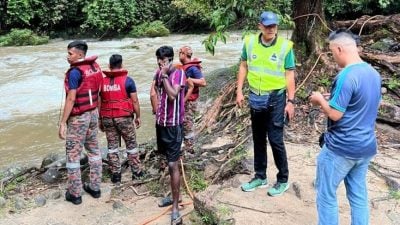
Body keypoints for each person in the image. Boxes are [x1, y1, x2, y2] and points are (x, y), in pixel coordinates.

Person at [309, 29, 381, 225]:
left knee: (326, 195)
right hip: (365, 147)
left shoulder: (345, 76)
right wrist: (329, 100)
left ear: (339, 48)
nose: (333, 57)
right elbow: (359, 104)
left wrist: (318, 100)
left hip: (341, 148)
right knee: (358, 196)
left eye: (332, 52)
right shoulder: (373, 73)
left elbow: (335, 114)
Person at [236, 11, 296, 196]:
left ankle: (283, 179)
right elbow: (244, 65)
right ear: (260, 26)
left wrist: (291, 100)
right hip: (255, 96)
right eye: (268, 25)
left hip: (276, 98)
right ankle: (260, 176)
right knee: (258, 138)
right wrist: (239, 91)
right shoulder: (250, 42)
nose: (271, 29)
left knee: (276, 139)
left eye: (274, 26)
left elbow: (289, 73)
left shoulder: (285, 47)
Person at [58, 40, 103, 205]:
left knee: (73, 155)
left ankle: (75, 194)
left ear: (80, 55)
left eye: (70, 53)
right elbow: (99, 93)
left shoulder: (75, 72)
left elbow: (71, 98)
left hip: (79, 117)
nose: (67, 56)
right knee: (94, 151)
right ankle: (95, 187)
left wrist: (63, 122)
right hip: (93, 113)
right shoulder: (94, 67)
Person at [150, 46, 186, 225]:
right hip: (161, 123)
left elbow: (172, 95)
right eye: (158, 60)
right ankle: (173, 197)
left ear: (170, 60)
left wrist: (164, 75)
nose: (159, 63)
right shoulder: (158, 74)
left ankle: (175, 208)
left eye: (163, 61)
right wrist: (156, 109)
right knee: (166, 160)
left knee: (173, 164)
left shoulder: (179, 74)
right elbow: (156, 91)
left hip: (173, 125)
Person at [99, 54, 143, 184]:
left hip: (107, 118)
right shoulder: (128, 81)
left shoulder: (102, 82)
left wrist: (100, 120)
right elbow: (134, 101)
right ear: (122, 65)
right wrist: (138, 116)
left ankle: (116, 175)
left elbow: (99, 103)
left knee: (112, 147)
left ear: (109, 66)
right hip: (124, 117)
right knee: (131, 145)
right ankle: (137, 172)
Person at [178, 46, 206, 154]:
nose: (179, 55)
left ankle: (190, 150)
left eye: (180, 53)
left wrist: (187, 80)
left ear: (184, 54)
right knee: (184, 124)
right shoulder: (184, 67)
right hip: (184, 100)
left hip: (190, 101)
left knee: (188, 125)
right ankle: (185, 147)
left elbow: (203, 82)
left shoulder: (193, 68)